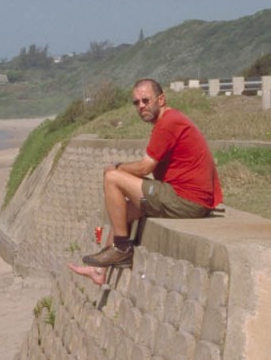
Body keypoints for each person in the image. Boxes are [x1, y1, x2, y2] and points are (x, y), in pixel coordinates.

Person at [68, 78, 223, 285]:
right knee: (122, 212)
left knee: (111, 178)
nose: (141, 106)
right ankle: (99, 271)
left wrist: (117, 168)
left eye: (145, 100)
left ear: (161, 99)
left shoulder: (168, 123)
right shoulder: (170, 120)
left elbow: (145, 167)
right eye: (136, 103)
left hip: (186, 199)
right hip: (188, 197)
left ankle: (121, 249)